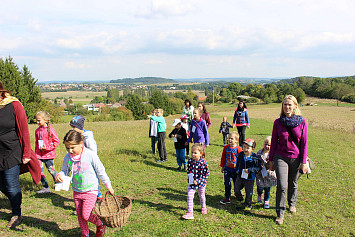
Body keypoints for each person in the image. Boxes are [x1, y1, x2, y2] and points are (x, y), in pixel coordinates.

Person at [55, 130, 114, 237]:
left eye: (73, 147)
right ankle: (85, 234)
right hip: (77, 191)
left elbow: (101, 170)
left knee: (86, 215)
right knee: (80, 216)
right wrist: (60, 175)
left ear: (81, 144)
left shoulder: (90, 155)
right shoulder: (68, 157)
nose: (70, 150)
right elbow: (65, 170)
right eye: (67, 148)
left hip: (91, 190)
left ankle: (100, 224)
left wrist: (108, 185)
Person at [0, 81, 41, 228]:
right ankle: (13, 201)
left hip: (12, 150)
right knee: (2, 184)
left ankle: (16, 214)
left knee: (11, 183)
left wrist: (26, 153)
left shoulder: (14, 104)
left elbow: (23, 129)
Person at [268, 95, 308, 225]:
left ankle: (292, 203)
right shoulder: (277, 122)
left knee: (293, 183)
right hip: (280, 157)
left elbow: (304, 143)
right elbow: (274, 141)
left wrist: (303, 162)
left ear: (295, 106)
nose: (287, 107)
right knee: (282, 186)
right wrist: (271, 160)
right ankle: (280, 213)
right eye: (285, 104)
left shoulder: (302, 122)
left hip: (296, 158)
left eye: (290, 104)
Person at [70, 115, 102, 202]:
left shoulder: (87, 137)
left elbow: (93, 151)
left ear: (80, 127)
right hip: (80, 163)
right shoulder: (77, 136)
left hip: (89, 162)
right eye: (72, 127)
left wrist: (86, 157)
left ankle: (98, 196)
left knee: (93, 178)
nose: (72, 129)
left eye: (74, 127)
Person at [182, 144, 209, 220]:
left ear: (201, 154)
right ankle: (190, 212)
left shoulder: (203, 163)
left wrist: (198, 181)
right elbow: (189, 170)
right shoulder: (190, 161)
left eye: (195, 153)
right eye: (192, 152)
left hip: (201, 183)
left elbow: (206, 174)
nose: (193, 154)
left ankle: (203, 207)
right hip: (192, 183)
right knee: (190, 195)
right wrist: (189, 178)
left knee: (201, 195)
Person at [35, 111, 60, 194]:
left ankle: (58, 183)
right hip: (39, 155)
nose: (37, 122)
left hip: (48, 155)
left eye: (39, 120)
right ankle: (45, 187)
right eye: (37, 120)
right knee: (39, 171)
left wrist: (47, 148)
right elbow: (36, 143)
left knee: (51, 170)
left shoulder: (51, 130)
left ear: (45, 120)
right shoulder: (37, 131)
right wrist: (36, 153)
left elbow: (56, 142)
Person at [235, 138, 261, 212]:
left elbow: (258, 168)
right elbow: (238, 162)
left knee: (249, 192)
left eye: (248, 148)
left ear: (252, 149)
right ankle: (240, 199)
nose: (245, 149)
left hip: (250, 178)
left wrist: (250, 170)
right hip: (240, 176)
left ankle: (248, 204)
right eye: (244, 147)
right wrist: (237, 169)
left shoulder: (254, 158)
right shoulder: (241, 155)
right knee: (236, 189)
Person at [219, 131, 242, 204]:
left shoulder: (239, 149)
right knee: (227, 183)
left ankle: (238, 195)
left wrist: (239, 169)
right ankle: (227, 197)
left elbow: (241, 160)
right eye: (229, 138)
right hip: (227, 169)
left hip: (235, 170)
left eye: (231, 139)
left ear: (236, 140)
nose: (229, 140)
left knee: (236, 184)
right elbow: (223, 157)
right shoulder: (226, 147)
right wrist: (222, 166)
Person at [255, 136, 277, 209]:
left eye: (269, 145)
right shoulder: (259, 152)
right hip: (260, 173)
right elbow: (256, 160)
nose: (267, 146)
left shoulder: (273, 154)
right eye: (265, 144)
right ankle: (259, 194)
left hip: (269, 174)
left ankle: (266, 201)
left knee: (267, 188)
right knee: (260, 187)